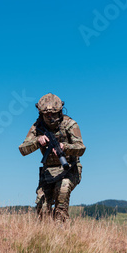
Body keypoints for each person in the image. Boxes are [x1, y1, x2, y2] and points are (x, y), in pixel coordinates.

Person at [18, 93, 86, 221]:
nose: (50, 117)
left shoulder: (70, 124)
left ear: (60, 111)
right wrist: (38, 141)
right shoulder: (37, 127)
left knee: (63, 192)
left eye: (53, 114)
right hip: (48, 171)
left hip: (69, 168)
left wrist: (64, 147)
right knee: (42, 207)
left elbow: (81, 149)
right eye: (46, 114)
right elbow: (23, 149)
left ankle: (61, 230)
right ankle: (46, 235)